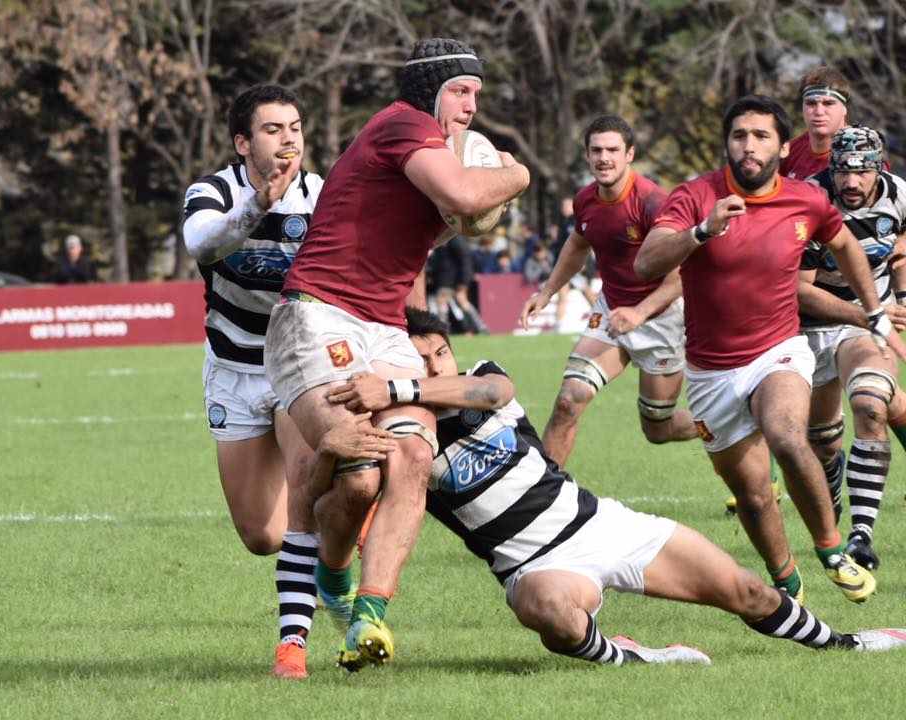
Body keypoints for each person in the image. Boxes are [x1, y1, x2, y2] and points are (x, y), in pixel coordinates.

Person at [321, 308, 906, 666]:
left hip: (601, 524)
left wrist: (398, 390)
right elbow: (347, 499)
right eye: (418, 360)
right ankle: (629, 657)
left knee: (747, 592)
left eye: (440, 353)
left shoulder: (480, 377)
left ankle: (845, 643)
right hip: (533, 566)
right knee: (547, 611)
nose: (434, 366)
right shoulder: (402, 439)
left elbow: (495, 394)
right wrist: (336, 445)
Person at [263, 37, 530, 672]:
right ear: (430, 90)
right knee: (357, 472)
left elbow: (436, 230)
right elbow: (466, 199)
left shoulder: (432, 153)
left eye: (476, 94)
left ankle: (369, 614)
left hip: (384, 330)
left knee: (411, 455)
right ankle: (326, 585)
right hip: (317, 315)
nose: (470, 106)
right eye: (459, 91)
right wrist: (517, 175)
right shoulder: (403, 125)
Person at [633, 94, 896, 605]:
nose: (749, 146)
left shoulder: (806, 200)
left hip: (780, 350)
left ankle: (832, 550)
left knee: (787, 435)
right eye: (739, 136)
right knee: (753, 497)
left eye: (761, 136)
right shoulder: (694, 196)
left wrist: (873, 309)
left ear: (782, 147)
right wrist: (701, 231)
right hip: (710, 372)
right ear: (726, 144)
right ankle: (787, 585)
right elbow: (647, 263)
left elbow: (844, 244)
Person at [182, 84, 323, 679]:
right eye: (272, 129)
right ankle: (341, 519)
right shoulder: (213, 192)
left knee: (303, 495)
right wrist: (259, 204)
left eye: (294, 127)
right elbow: (202, 242)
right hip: (232, 368)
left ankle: (293, 643)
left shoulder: (324, 194)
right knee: (262, 536)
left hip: (298, 361)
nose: (288, 138)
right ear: (243, 143)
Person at [521, 115, 698, 468]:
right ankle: (544, 493)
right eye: (596, 150)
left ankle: (727, 424)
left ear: (629, 154)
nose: (604, 158)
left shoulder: (653, 203)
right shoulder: (585, 200)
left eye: (612, 150)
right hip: (611, 312)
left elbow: (681, 276)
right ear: (587, 155)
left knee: (658, 429)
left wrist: (640, 313)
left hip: (661, 319)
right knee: (568, 400)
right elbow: (578, 244)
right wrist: (547, 292)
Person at [798, 124, 906, 571]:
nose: (851, 182)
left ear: (879, 168)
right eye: (843, 171)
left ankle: (861, 536)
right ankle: (832, 482)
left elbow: (902, 244)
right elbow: (799, 288)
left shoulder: (898, 194)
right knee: (822, 443)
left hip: (866, 322)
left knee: (870, 405)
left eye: (861, 172)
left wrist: (900, 298)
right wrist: (864, 314)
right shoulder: (810, 200)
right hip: (807, 326)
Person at [780, 66, 850, 180]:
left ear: (844, 109)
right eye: (811, 103)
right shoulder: (789, 152)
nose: (819, 112)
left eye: (828, 103)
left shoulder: (863, 154)